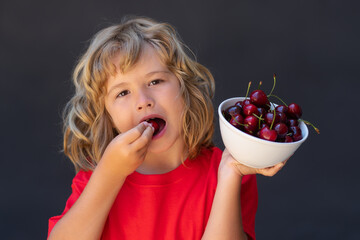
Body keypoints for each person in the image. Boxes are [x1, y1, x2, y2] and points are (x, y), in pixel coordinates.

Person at [47, 16, 286, 240]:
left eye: (155, 81)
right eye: (122, 92)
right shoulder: (97, 179)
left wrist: (230, 174)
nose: (143, 100)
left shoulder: (226, 173)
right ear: (107, 117)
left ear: (185, 90)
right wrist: (109, 175)